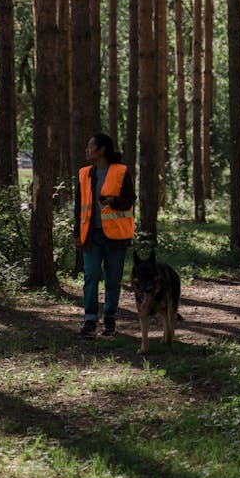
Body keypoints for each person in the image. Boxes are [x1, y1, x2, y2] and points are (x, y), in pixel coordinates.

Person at [74, 133, 136, 337]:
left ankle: (109, 320)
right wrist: (77, 233)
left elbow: (130, 200)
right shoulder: (84, 174)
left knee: (112, 280)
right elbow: (78, 207)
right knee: (91, 277)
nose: (86, 150)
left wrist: (112, 200)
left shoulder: (121, 172)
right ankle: (90, 320)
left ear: (101, 150)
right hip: (91, 236)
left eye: (90, 146)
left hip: (116, 236)